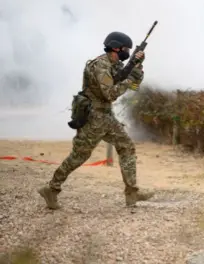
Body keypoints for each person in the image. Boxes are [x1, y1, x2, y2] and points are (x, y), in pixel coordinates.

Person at [38, 31, 154, 210]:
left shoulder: (113, 64)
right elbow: (111, 93)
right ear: (116, 47)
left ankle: (132, 193)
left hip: (106, 116)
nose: (127, 53)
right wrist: (130, 79)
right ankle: (51, 189)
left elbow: (126, 80)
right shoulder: (100, 66)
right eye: (125, 49)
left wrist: (136, 65)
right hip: (94, 118)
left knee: (126, 147)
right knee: (79, 156)